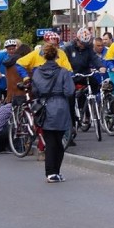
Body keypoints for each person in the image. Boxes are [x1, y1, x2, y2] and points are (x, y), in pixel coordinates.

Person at [32, 41, 75, 183]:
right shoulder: (63, 72)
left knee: (49, 141)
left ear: (44, 56)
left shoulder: (37, 72)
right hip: (61, 107)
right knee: (59, 142)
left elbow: (35, 91)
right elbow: (69, 91)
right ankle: (55, 171)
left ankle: (50, 172)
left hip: (45, 107)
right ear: (57, 56)